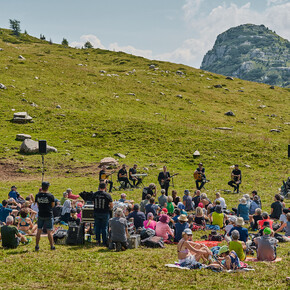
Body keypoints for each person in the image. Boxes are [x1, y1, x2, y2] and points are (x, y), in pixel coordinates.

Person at [35, 182, 56, 251]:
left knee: (39, 230)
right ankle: (52, 246)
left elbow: (37, 205)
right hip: (48, 214)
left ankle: (37, 246)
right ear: (47, 187)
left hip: (40, 214)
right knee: (49, 231)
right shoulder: (50, 196)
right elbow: (53, 205)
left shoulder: (37, 195)